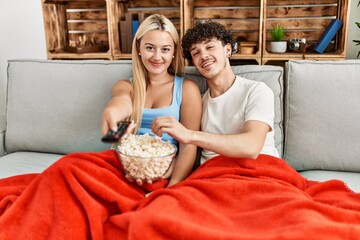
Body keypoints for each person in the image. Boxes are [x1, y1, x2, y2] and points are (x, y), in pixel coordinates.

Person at [151, 20, 279, 163]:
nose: (204, 56)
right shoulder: (198, 104)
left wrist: (190, 135)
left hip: (260, 169)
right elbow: (185, 149)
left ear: (228, 50)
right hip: (214, 174)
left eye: (210, 47)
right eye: (196, 53)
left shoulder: (257, 91)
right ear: (194, 63)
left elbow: (251, 147)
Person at [101, 14, 202, 186]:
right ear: (139, 48)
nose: (157, 57)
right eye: (150, 47)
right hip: (123, 169)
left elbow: (189, 145)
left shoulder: (186, 89)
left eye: (165, 49)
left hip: (164, 173)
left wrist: (171, 187)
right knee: (69, 167)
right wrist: (112, 112)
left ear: (174, 52)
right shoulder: (127, 86)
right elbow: (121, 104)